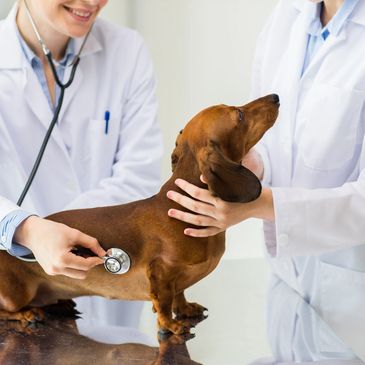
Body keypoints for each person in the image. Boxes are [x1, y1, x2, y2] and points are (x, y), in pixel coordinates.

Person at [167, 0, 365, 361]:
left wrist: (259, 205)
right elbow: (274, 137)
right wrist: (249, 167)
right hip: (285, 282)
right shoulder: (287, 15)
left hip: (354, 296)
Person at [0, 0, 162, 328]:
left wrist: (63, 229)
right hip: (18, 293)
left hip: (109, 281)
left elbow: (139, 174)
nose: (92, 2)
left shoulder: (127, 51)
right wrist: (27, 229)